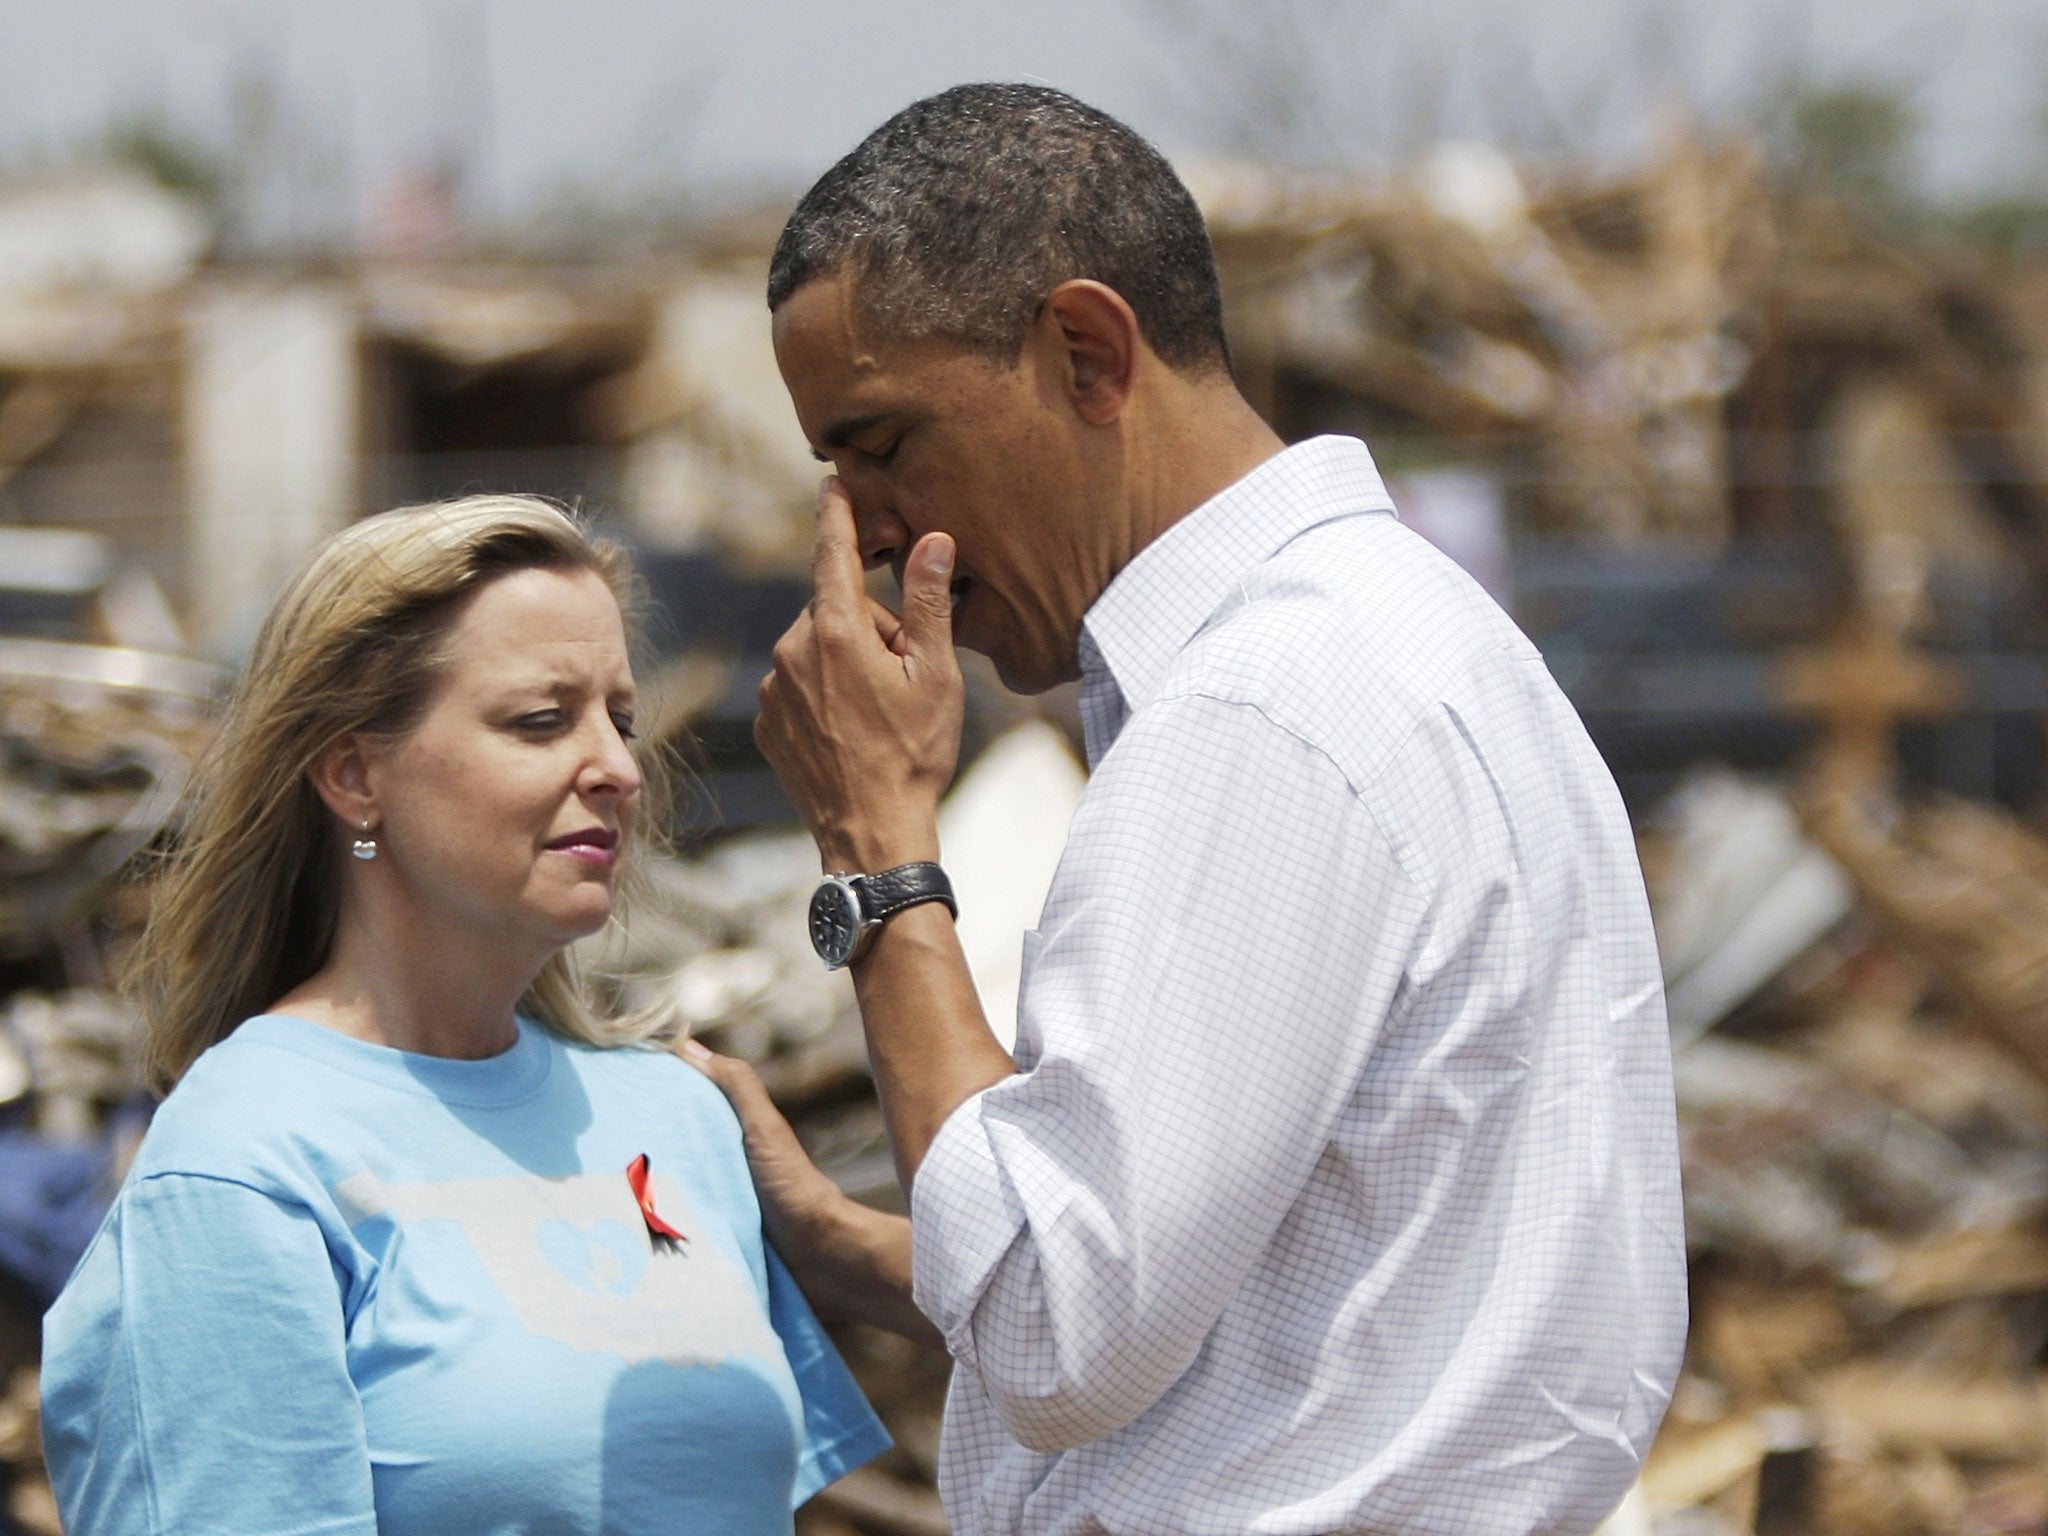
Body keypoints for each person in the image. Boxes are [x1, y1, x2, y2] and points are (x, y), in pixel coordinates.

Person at [708, 83, 1689, 1535]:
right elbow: (1283, 1289)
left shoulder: (1260, 707)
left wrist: (879, 852)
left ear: (1088, 352)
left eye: (886, 443)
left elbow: (1059, 1330)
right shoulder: (1400, 639)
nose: (859, 529)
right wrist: (844, 1244)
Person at [38, 496, 897, 1536]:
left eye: (620, 718)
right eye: (541, 720)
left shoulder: (680, 1114)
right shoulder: (240, 1162)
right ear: (355, 774)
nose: (618, 768)